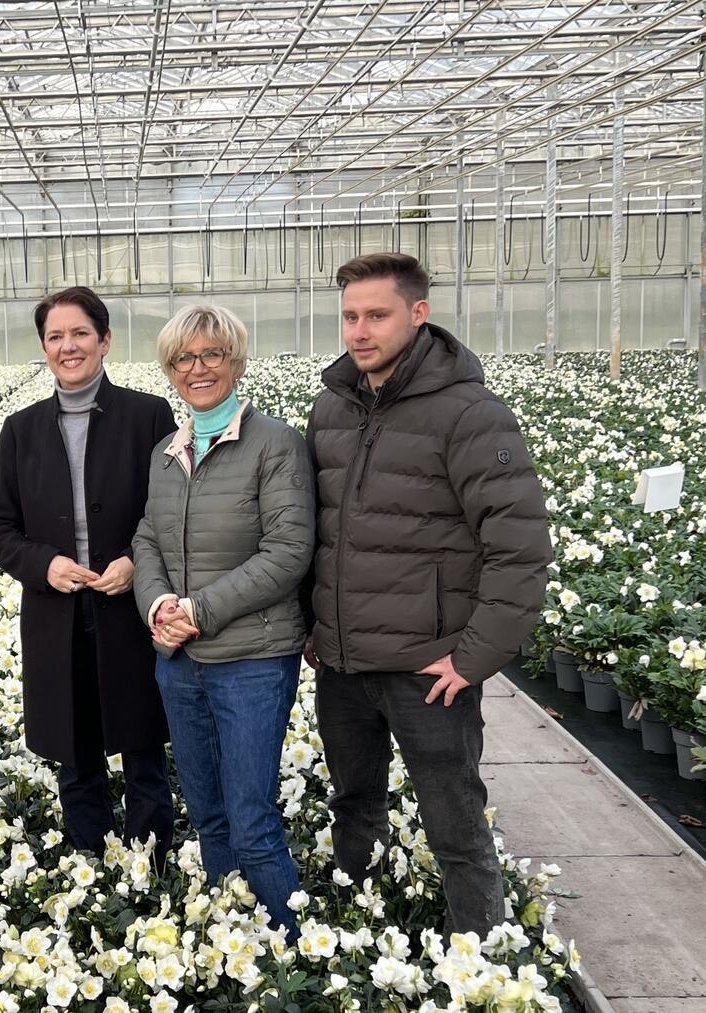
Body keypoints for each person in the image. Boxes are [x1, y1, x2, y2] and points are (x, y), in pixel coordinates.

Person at [305, 252, 550, 935]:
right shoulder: (332, 407)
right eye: (351, 315)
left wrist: (474, 658)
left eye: (377, 314)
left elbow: (519, 544)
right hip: (344, 664)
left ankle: (479, 954)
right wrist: (313, 626)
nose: (360, 330)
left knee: (455, 822)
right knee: (356, 804)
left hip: (428, 668)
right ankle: (359, 934)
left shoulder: (470, 413)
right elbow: (315, 532)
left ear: (419, 312)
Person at [132, 304, 315, 932]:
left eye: (212, 355)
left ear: (236, 363)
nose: (198, 368)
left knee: (252, 816)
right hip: (179, 661)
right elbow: (147, 539)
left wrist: (197, 611)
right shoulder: (166, 452)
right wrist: (158, 606)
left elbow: (288, 552)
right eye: (185, 358)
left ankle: (289, 950)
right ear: (170, 370)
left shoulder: (275, 444)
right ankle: (232, 937)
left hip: (252, 661)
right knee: (207, 810)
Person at [0, 286, 177, 861]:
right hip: (58, 611)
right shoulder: (21, 430)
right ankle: (88, 855)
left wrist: (137, 562)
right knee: (75, 747)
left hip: (130, 607)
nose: (68, 347)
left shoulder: (147, 416)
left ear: (105, 340)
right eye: (55, 337)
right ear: (43, 347)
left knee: (143, 746)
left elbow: (169, 510)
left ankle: (153, 859)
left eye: (80, 334)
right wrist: (46, 564)